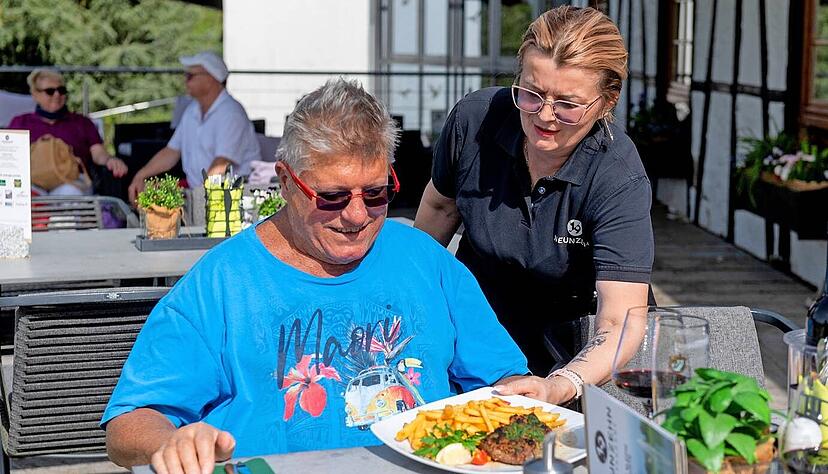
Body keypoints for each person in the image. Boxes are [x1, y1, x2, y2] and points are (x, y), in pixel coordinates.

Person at [103, 79, 531, 472]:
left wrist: (532, 395)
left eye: (377, 192)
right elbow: (129, 425)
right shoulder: (223, 281)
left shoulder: (426, 260)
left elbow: (502, 381)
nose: (358, 215)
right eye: (332, 197)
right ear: (286, 182)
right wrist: (170, 443)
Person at [414, 6, 654, 406]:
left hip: (576, 348)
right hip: (479, 330)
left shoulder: (618, 176)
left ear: (607, 101)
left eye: (568, 104)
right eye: (531, 93)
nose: (545, 116)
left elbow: (620, 321)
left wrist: (561, 384)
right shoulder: (475, 121)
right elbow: (439, 209)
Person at [127, 52, 260, 204]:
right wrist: (141, 176)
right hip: (202, 193)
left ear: (211, 78)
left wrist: (193, 200)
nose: (185, 81)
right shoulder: (192, 110)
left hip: (232, 200)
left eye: (190, 76)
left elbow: (220, 165)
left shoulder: (231, 113)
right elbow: (171, 152)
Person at [8, 69, 128, 196]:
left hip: (72, 181)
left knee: (71, 194)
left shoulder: (82, 122)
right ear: (34, 94)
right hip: (33, 182)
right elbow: (9, 156)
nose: (56, 95)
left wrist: (110, 160)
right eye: (50, 91)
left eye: (61, 90)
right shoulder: (20, 122)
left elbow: (98, 153)